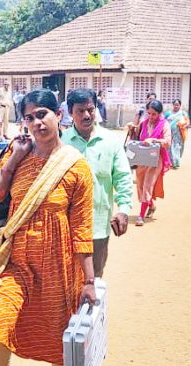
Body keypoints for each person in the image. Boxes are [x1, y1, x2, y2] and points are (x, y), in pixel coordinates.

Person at [0, 89, 95, 366]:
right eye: (29, 117)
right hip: (15, 263)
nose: (37, 122)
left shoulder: (75, 168)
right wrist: (13, 158)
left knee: (59, 334)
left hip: (59, 265)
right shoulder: (18, 155)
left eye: (43, 114)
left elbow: (82, 228)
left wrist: (88, 280)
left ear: (59, 115)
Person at [62, 88, 133, 277]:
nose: (87, 115)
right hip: (66, 227)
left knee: (94, 277)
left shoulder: (110, 141)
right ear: (70, 112)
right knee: (65, 279)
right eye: (80, 111)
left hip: (98, 226)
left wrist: (124, 210)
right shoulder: (61, 142)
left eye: (90, 110)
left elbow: (123, 177)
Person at [134, 100, 171, 226]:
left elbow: (167, 142)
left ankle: (141, 215)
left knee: (148, 185)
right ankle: (151, 205)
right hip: (142, 158)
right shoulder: (143, 124)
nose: (150, 117)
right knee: (139, 184)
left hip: (156, 159)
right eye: (148, 113)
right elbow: (136, 137)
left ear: (159, 114)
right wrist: (131, 128)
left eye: (153, 114)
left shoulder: (164, 124)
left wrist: (154, 140)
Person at [164, 99, 189, 169]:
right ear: (173, 105)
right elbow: (163, 122)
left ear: (180, 105)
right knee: (170, 148)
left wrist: (184, 125)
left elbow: (188, 122)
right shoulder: (168, 113)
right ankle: (171, 162)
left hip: (179, 134)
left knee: (177, 147)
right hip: (169, 134)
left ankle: (176, 161)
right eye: (175, 105)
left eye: (177, 105)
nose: (176, 106)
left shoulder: (183, 114)